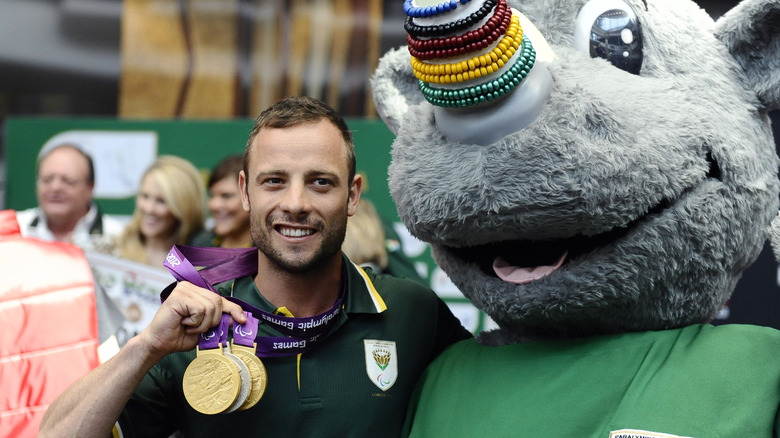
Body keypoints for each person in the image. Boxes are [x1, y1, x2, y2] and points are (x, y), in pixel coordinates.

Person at [39, 96, 471, 438]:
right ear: (246, 192)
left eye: (321, 182)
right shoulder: (193, 328)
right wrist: (145, 347)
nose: (296, 204)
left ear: (353, 195)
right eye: (274, 181)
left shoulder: (412, 311)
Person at [16, 143, 124, 251]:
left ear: (90, 187)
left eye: (68, 181)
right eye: (47, 179)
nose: (55, 188)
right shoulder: (13, 229)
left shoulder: (118, 238)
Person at [114, 155, 206, 266]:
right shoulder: (113, 251)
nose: (149, 209)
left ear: (183, 207)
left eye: (161, 201)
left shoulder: (201, 265)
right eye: (145, 196)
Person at [190, 154, 254, 248]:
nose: (214, 205)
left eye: (226, 196)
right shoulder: (198, 243)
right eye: (212, 196)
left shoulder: (271, 253)